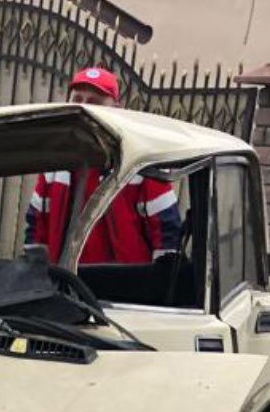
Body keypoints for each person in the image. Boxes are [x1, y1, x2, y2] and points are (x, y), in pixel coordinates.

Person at [26, 67, 182, 264]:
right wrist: (34, 274)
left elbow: (167, 229)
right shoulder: (56, 164)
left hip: (122, 282)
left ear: (116, 109)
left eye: (94, 102)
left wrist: (161, 279)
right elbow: (36, 226)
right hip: (64, 279)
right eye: (77, 99)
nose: (83, 108)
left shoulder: (140, 162)